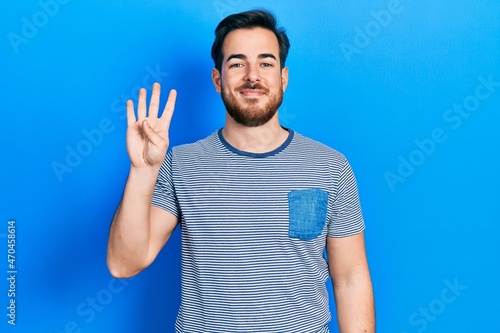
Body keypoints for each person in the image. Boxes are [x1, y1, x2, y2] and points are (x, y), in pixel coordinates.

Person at [107, 9, 375, 333]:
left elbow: (350, 279)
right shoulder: (181, 164)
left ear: (283, 77)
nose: (252, 75)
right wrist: (142, 169)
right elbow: (124, 263)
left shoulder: (329, 167)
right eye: (237, 63)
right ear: (218, 80)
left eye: (266, 62)